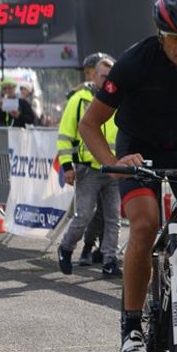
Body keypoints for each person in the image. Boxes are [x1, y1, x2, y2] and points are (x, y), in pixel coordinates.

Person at [77, 0, 177, 352]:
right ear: (161, 35)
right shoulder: (135, 62)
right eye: (176, 38)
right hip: (137, 147)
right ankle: (132, 328)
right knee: (144, 225)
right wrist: (115, 161)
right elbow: (89, 124)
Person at [56, 52, 121, 276]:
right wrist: (67, 167)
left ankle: (109, 260)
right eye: (102, 75)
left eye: (110, 76)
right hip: (89, 169)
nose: (106, 79)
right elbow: (65, 135)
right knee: (84, 215)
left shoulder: (121, 99)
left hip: (114, 169)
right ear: (94, 76)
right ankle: (65, 248)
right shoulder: (79, 99)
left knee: (114, 218)